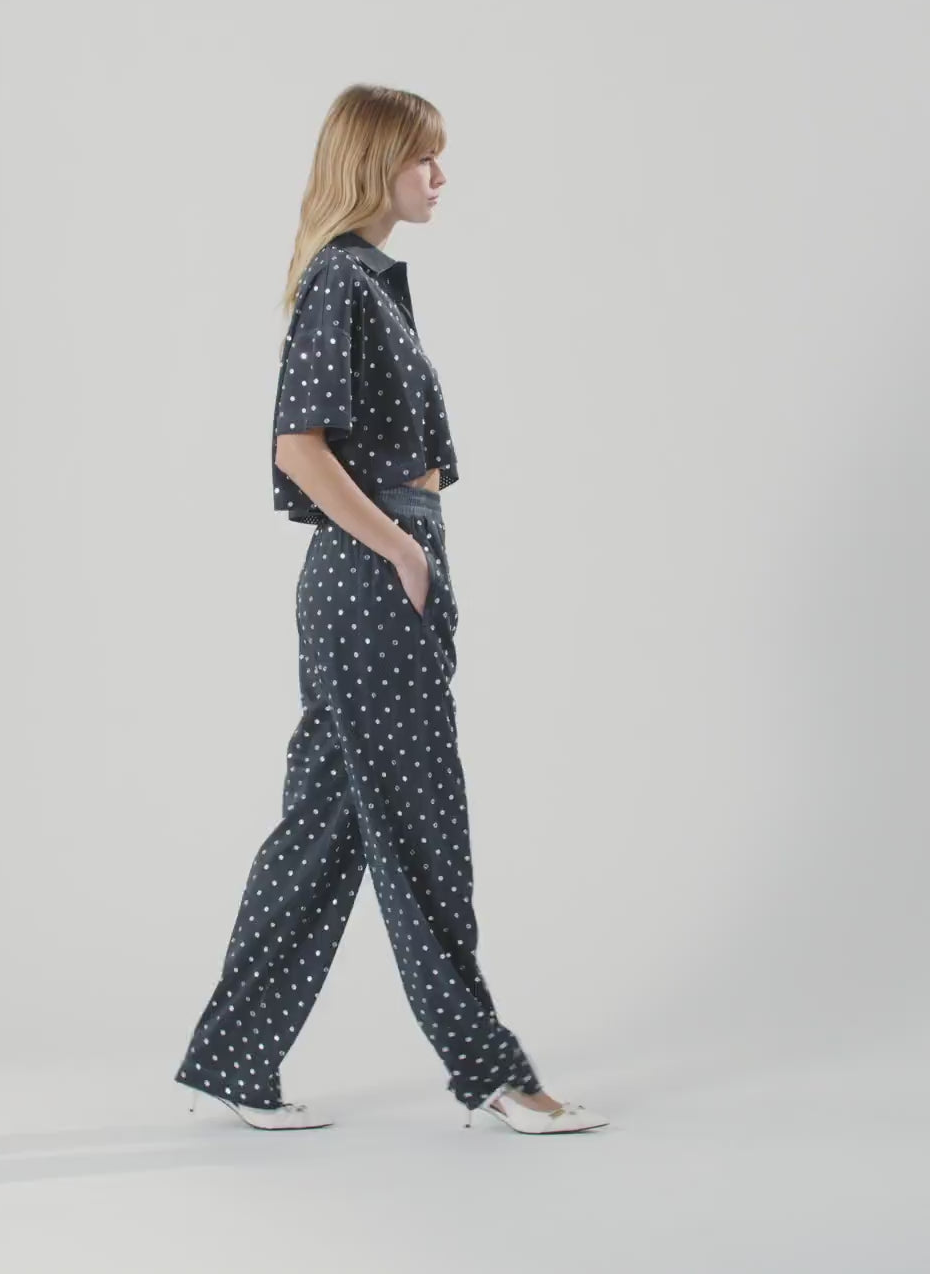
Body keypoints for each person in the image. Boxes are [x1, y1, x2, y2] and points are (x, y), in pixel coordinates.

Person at [174, 83, 609, 1137]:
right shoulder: (340, 283)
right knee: (420, 827)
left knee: (323, 833)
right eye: (424, 158)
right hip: (373, 579)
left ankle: (231, 1061)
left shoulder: (369, 286)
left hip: (378, 575)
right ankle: (494, 1074)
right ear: (376, 166)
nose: (440, 177)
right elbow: (298, 450)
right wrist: (404, 549)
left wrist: (416, 544)